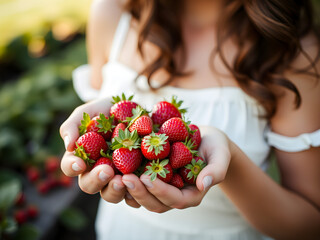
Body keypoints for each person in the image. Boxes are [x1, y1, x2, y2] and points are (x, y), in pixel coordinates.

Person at [60, 0, 320, 239]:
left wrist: (231, 161)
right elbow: (107, 132)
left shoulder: (290, 48)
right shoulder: (112, 11)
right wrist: (93, 140)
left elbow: (308, 225)